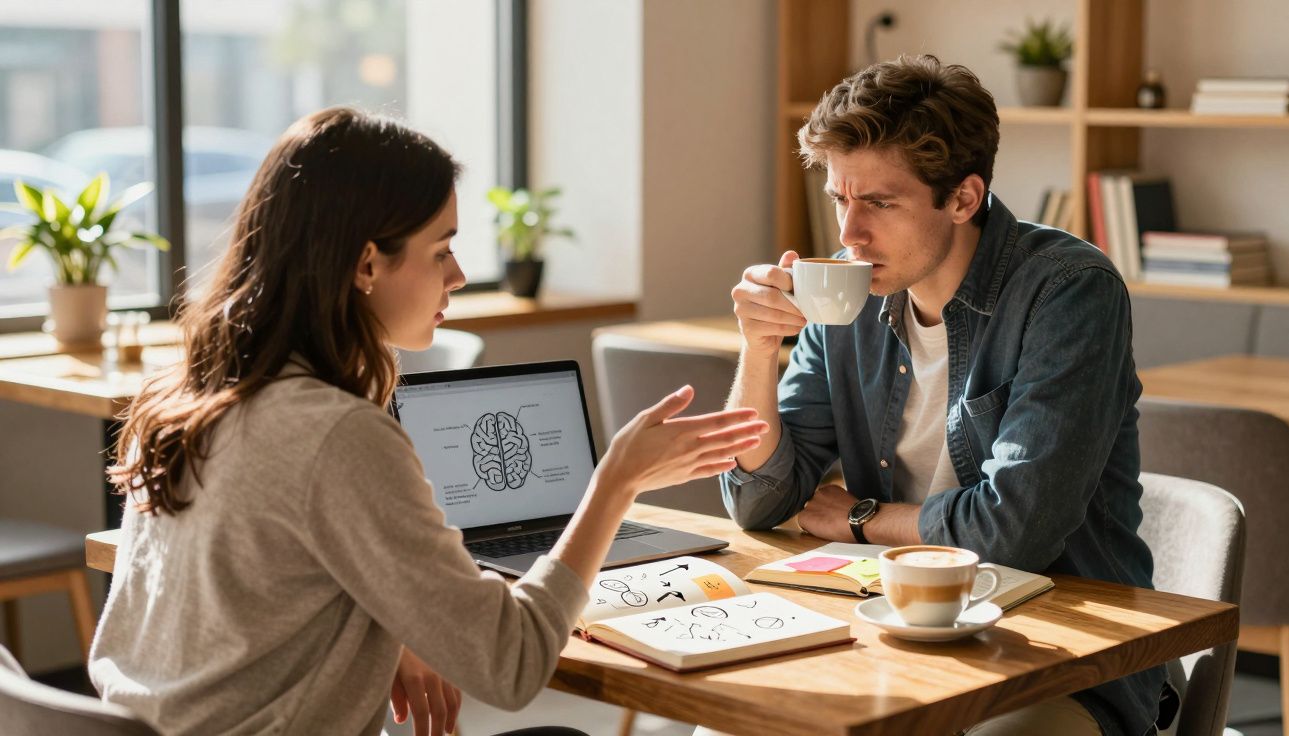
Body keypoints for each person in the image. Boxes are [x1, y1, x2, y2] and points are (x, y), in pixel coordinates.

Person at [90, 106, 768, 736]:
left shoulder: (189, 396)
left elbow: (251, 599)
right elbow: (511, 663)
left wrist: (389, 625)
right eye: (441, 249)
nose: (461, 274)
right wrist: (614, 486)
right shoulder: (336, 434)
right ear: (365, 264)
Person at [721, 56, 1163, 736]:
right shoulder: (848, 292)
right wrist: (757, 350)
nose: (848, 234)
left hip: (1060, 652)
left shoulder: (1068, 290)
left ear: (962, 197)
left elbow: (1014, 533)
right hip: (885, 631)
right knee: (727, 721)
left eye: (879, 203)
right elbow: (758, 502)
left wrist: (864, 519)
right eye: (840, 199)